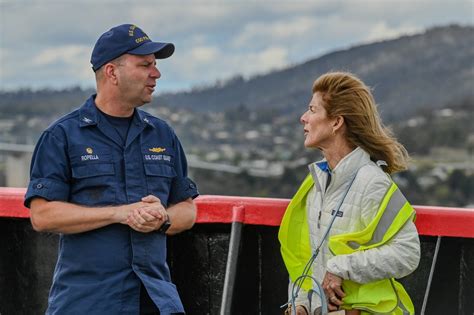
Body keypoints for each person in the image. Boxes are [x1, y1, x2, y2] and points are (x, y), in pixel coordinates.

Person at [24, 24, 199, 315]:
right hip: (87, 303)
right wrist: (120, 213)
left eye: (155, 66)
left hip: (155, 301)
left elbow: (188, 210)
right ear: (111, 72)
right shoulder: (62, 137)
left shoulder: (162, 135)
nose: (156, 74)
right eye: (145, 65)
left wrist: (163, 217)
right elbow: (42, 216)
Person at [278, 72, 420, 315]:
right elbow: (308, 255)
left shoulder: (372, 182)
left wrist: (340, 267)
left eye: (312, 110)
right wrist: (301, 302)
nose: (303, 118)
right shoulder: (315, 184)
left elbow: (407, 252)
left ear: (336, 122)